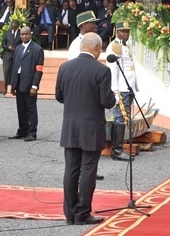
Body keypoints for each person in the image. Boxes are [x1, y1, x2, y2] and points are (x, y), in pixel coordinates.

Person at [56, 32, 115, 225]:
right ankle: (82, 213)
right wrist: (113, 98)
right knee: (88, 170)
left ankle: (70, 213)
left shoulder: (65, 67)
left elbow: (59, 96)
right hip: (91, 127)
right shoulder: (102, 71)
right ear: (98, 48)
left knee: (71, 170)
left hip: (70, 126)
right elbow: (106, 101)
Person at [105, 21, 142, 161]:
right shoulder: (115, 47)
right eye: (122, 31)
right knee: (121, 117)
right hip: (121, 88)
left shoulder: (124, 45)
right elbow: (113, 69)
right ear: (116, 31)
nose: (125, 34)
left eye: (127, 31)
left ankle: (118, 147)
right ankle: (117, 150)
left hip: (128, 87)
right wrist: (114, 89)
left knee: (123, 117)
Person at [8, 26, 44, 142]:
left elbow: (39, 69)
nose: (24, 36)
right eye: (22, 34)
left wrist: (35, 86)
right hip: (19, 82)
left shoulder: (37, 49)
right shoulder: (18, 48)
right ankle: (22, 130)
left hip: (30, 84)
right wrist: (12, 85)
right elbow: (14, 67)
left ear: (31, 34)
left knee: (31, 109)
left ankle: (32, 132)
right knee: (21, 108)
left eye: (26, 34)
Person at [1, 20, 21, 96]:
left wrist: (16, 48)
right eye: (13, 26)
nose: (14, 27)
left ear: (18, 26)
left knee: (15, 72)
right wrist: (7, 47)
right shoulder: (7, 33)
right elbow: (3, 44)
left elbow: (22, 43)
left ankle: (13, 88)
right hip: (8, 54)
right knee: (7, 72)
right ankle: (5, 88)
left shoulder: (20, 33)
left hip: (16, 54)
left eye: (15, 26)